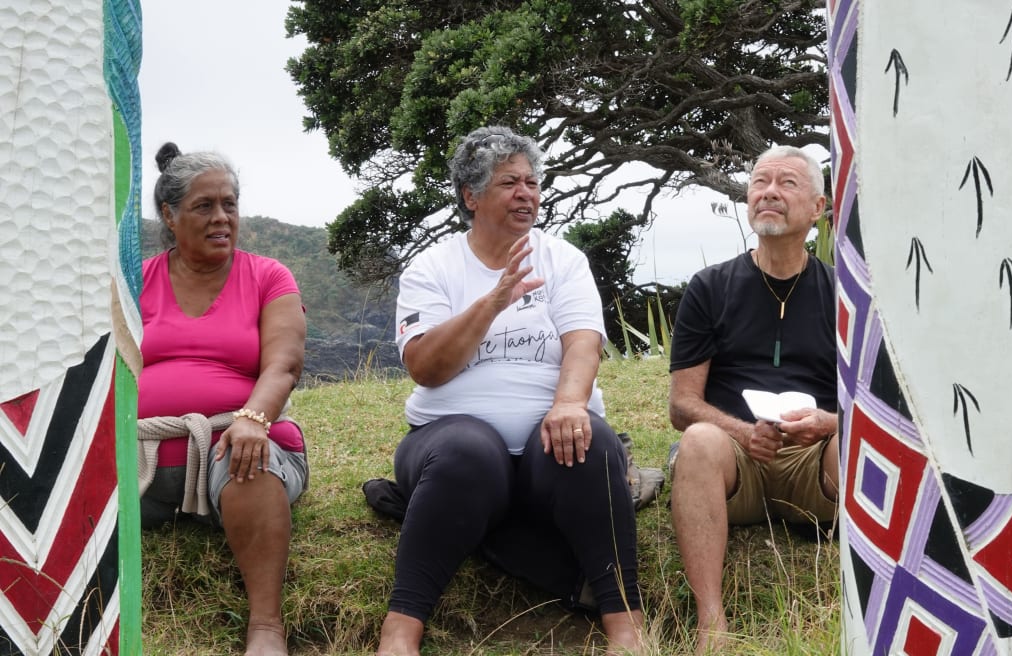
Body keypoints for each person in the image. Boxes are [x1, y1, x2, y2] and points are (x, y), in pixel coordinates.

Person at [375, 126, 645, 656]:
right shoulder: (433, 268)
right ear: (471, 196)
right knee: (466, 452)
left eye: (532, 182)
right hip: (449, 443)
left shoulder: (562, 259)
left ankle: (627, 627)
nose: (527, 193)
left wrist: (568, 404)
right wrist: (492, 302)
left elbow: (583, 344)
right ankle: (401, 630)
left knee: (586, 442)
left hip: (549, 455)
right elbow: (425, 367)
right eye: (509, 183)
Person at [137, 142, 308, 656]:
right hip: (141, 460)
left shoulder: (268, 276)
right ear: (169, 215)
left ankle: (265, 627)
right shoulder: (133, 280)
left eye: (229, 204)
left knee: (246, 459)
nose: (221, 218)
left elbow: (284, 363)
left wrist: (253, 419)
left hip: (235, 445)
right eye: (204, 206)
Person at [667, 145, 838, 654]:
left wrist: (829, 423)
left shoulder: (846, 293)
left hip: (813, 462)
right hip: (734, 459)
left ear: (819, 208)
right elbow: (681, 404)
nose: (769, 192)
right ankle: (712, 625)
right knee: (698, 439)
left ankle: (866, 600)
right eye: (760, 182)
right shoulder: (710, 287)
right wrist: (742, 432)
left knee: (863, 443)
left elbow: (878, 407)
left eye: (787, 183)